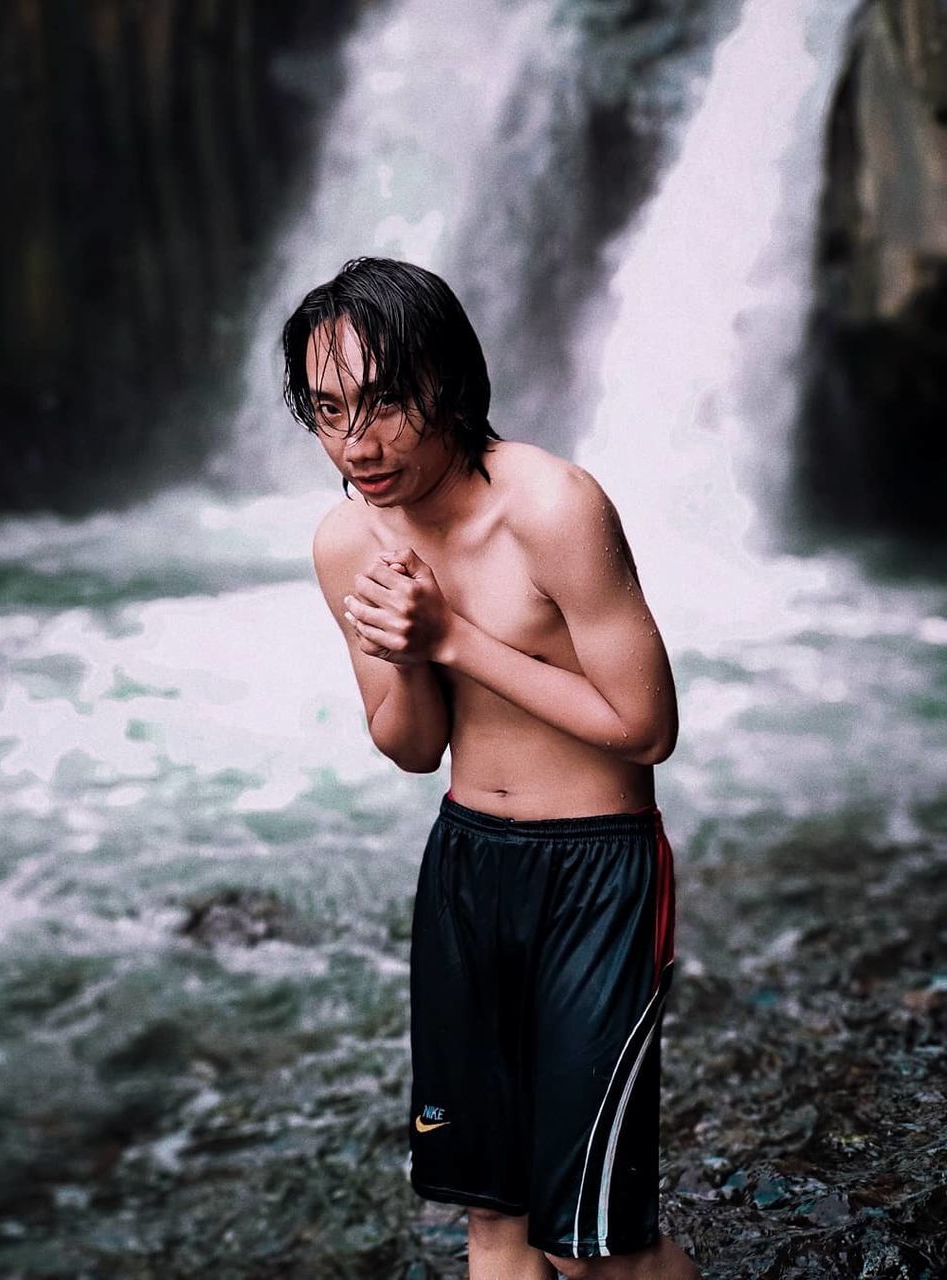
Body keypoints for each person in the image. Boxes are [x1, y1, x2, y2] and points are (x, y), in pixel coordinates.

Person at [282, 257, 698, 1280]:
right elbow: (412, 743)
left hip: (596, 867)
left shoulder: (554, 506)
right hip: (467, 863)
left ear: (449, 381)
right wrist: (412, 648)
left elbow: (646, 725)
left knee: (603, 1246)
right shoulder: (346, 539)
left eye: (384, 403)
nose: (357, 444)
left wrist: (452, 635)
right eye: (329, 411)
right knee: (493, 1224)